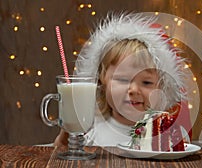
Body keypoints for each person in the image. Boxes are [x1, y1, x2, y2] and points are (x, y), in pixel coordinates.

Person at [54, 13, 192, 147]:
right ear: (102, 82)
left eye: (146, 82)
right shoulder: (90, 130)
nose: (134, 90)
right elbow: (60, 151)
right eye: (123, 79)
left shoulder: (168, 133)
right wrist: (66, 133)